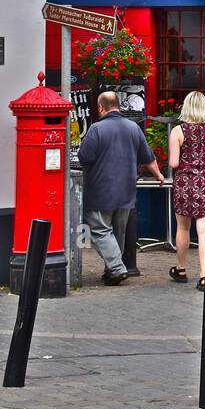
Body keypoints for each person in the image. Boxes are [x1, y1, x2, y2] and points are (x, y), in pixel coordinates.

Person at [78, 91, 164, 286]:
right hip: (126, 191)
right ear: (118, 105)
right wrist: (158, 175)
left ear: (101, 107)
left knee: (100, 230)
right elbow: (148, 157)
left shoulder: (96, 129)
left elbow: (84, 157)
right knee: (119, 232)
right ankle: (112, 272)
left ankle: (117, 268)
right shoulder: (133, 128)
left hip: (100, 190)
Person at [168, 91, 205, 291]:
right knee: (204, 230)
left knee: (183, 227)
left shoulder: (178, 131)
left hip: (185, 184)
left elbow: (173, 162)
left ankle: (181, 269)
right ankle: (204, 276)